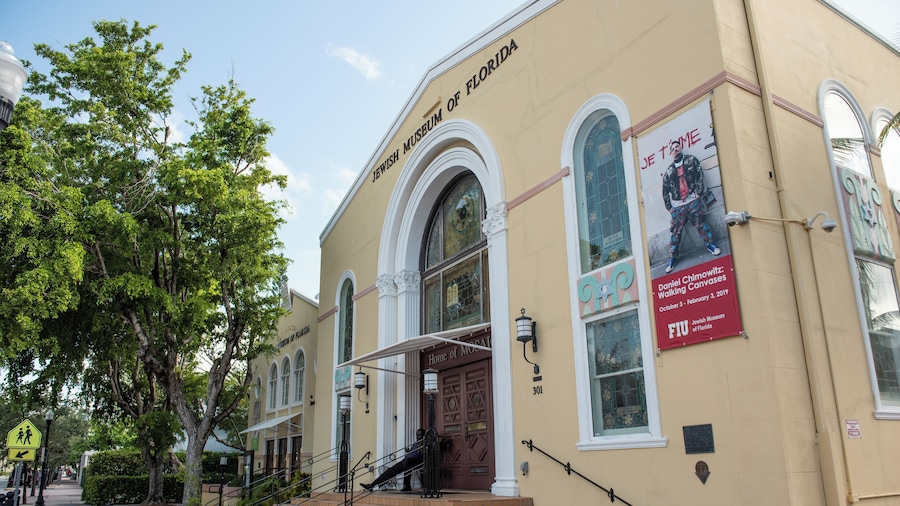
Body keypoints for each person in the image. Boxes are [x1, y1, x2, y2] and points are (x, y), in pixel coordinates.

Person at [662, 139, 720, 273]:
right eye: (673, 148)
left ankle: (710, 244)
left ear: (681, 148)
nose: (675, 149)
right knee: (676, 233)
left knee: (701, 224)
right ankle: (672, 258)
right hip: (677, 206)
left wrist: (699, 193)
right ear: (670, 153)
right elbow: (665, 191)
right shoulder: (669, 172)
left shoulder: (691, 161)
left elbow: (700, 175)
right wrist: (669, 207)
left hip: (692, 200)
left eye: (677, 147)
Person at [360, 429, 425, 492]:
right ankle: (372, 485)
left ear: (423, 435)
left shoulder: (424, 443)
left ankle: (407, 486)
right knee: (390, 471)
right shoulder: (416, 443)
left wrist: (422, 444)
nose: (417, 437)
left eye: (419, 435)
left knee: (407, 464)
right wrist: (408, 451)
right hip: (406, 461)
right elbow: (413, 452)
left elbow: (422, 453)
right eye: (416, 435)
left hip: (416, 462)